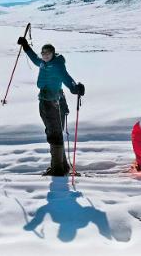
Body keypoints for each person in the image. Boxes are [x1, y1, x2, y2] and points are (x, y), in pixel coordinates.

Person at [17, 37, 84, 176]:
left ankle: (57, 169)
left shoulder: (57, 65)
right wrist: (25, 45)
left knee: (54, 134)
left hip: (54, 102)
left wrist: (75, 88)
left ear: (53, 53)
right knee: (54, 132)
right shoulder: (42, 62)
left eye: (48, 53)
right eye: (43, 53)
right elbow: (34, 58)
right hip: (46, 100)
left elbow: (66, 78)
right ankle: (62, 166)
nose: (45, 55)